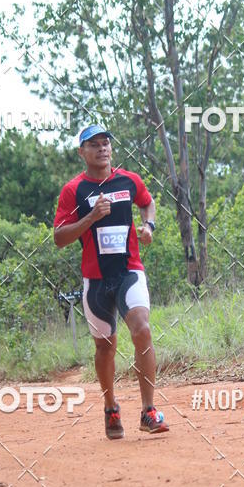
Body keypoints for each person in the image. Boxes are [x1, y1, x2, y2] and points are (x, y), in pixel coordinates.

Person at [53, 124, 169, 440]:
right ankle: (110, 408)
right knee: (105, 347)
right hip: (95, 280)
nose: (102, 148)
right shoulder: (73, 190)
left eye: (106, 143)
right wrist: (91, 217)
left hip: (129, 271)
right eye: (94, 144)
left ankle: (148, 411)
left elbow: (147, 202)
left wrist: (149, 226)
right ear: (82, 152)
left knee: (142, 329)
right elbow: (59, 238)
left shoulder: (128, 180)